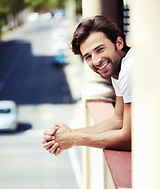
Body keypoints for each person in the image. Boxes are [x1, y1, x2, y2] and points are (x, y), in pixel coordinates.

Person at [42, 15, 133, 155]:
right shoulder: (118, 68)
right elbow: (118, 120)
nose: (96, 61)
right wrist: (69, 134)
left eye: (100, 49)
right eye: (88, 57)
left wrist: (75, 139)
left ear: (119, 43)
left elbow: (129, 139)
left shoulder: (129, 68)